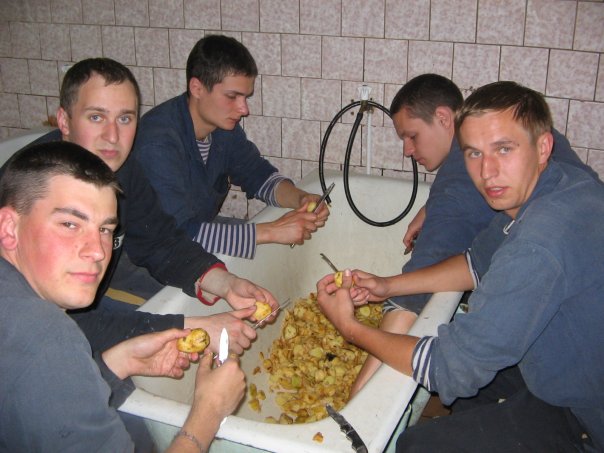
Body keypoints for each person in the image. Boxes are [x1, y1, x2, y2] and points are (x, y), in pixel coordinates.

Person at [316, 81, 604, 451]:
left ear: (543, 146)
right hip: (570, 363)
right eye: (473, 153)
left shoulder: (539, 243)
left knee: (417, 446)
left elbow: (449, 369)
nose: (487, 171)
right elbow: (474, 263)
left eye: (504, 149)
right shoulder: (557, 187)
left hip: (586, 414)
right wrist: (387, 285)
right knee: (472, 396)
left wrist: (349, 327)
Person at [0, 141, 246, 452]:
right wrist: (209, 411)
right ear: (9, 228)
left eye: (105, 230)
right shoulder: (46, 339)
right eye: (70, 224)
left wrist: (120, 362)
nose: (97, 251)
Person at [22, 58, 277, 357]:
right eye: (96, 117)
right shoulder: (35, 194)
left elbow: (159, 241)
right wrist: (189, 326)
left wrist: (226, 284)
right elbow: (60, 326)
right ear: (64, 121)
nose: (112, 136)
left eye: (125, 119)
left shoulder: (121, 168)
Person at [132, 34, 329, 260]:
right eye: (232, 96)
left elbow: (257, 175)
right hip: (145, 260)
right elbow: (177, 234)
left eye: (245, 97)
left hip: (194, 235)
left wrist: (301, 199)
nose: (244, 109)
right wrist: (272, 231)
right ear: (197, 88)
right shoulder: (158, 143)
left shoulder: (223, 128)